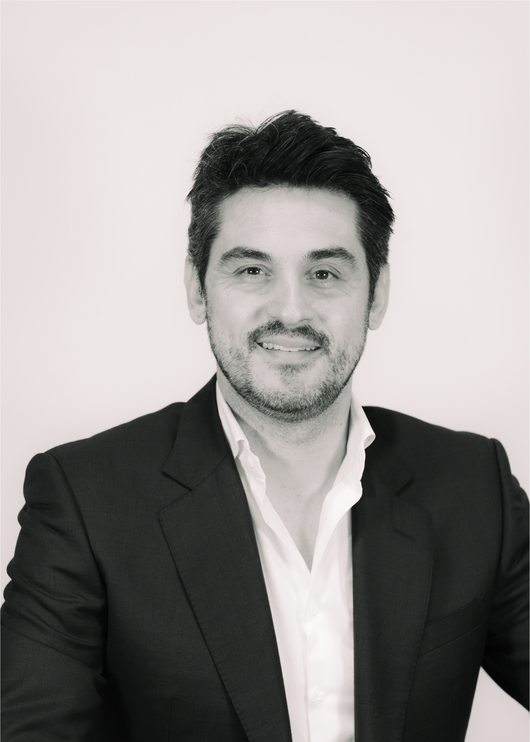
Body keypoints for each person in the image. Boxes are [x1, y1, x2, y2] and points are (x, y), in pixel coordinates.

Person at [2, 111, 528, 742]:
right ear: (197, 290)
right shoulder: (87, 500)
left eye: (324, 273)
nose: (291, 310)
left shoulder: (474, 487)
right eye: (251, 270)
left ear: (378, 293)